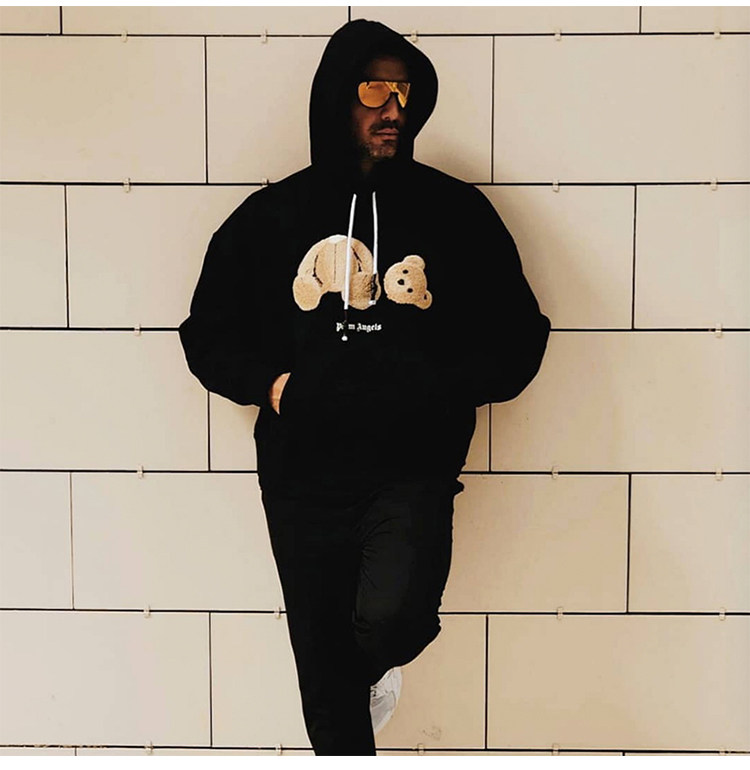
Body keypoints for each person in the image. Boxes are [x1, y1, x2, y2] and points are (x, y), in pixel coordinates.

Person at [178, 18, 551, 756]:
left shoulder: (457, 214)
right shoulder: (271, 219)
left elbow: (520, 336)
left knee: (392, 621)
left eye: (405, 92)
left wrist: (440, 391)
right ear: (334, 98)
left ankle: (374, 667)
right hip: (301, 476)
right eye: (375, 89)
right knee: (326, 691)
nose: (394, 109)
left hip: (411, 470)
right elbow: (206, 335)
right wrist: (275, 387)